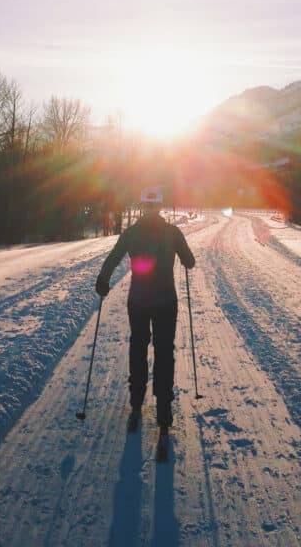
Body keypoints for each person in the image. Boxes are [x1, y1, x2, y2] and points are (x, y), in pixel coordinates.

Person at [95, 187, 196, 441]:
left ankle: (136, 402)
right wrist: (181, 257)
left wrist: (103, 280)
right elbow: (190, 261)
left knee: (138, 347)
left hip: (138, 300)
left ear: (142, 206)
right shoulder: (172, 232)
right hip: (165, 301)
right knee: (164, 352)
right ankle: (164, 412)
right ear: (159, 207)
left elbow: (113, 258)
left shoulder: (131, 233)